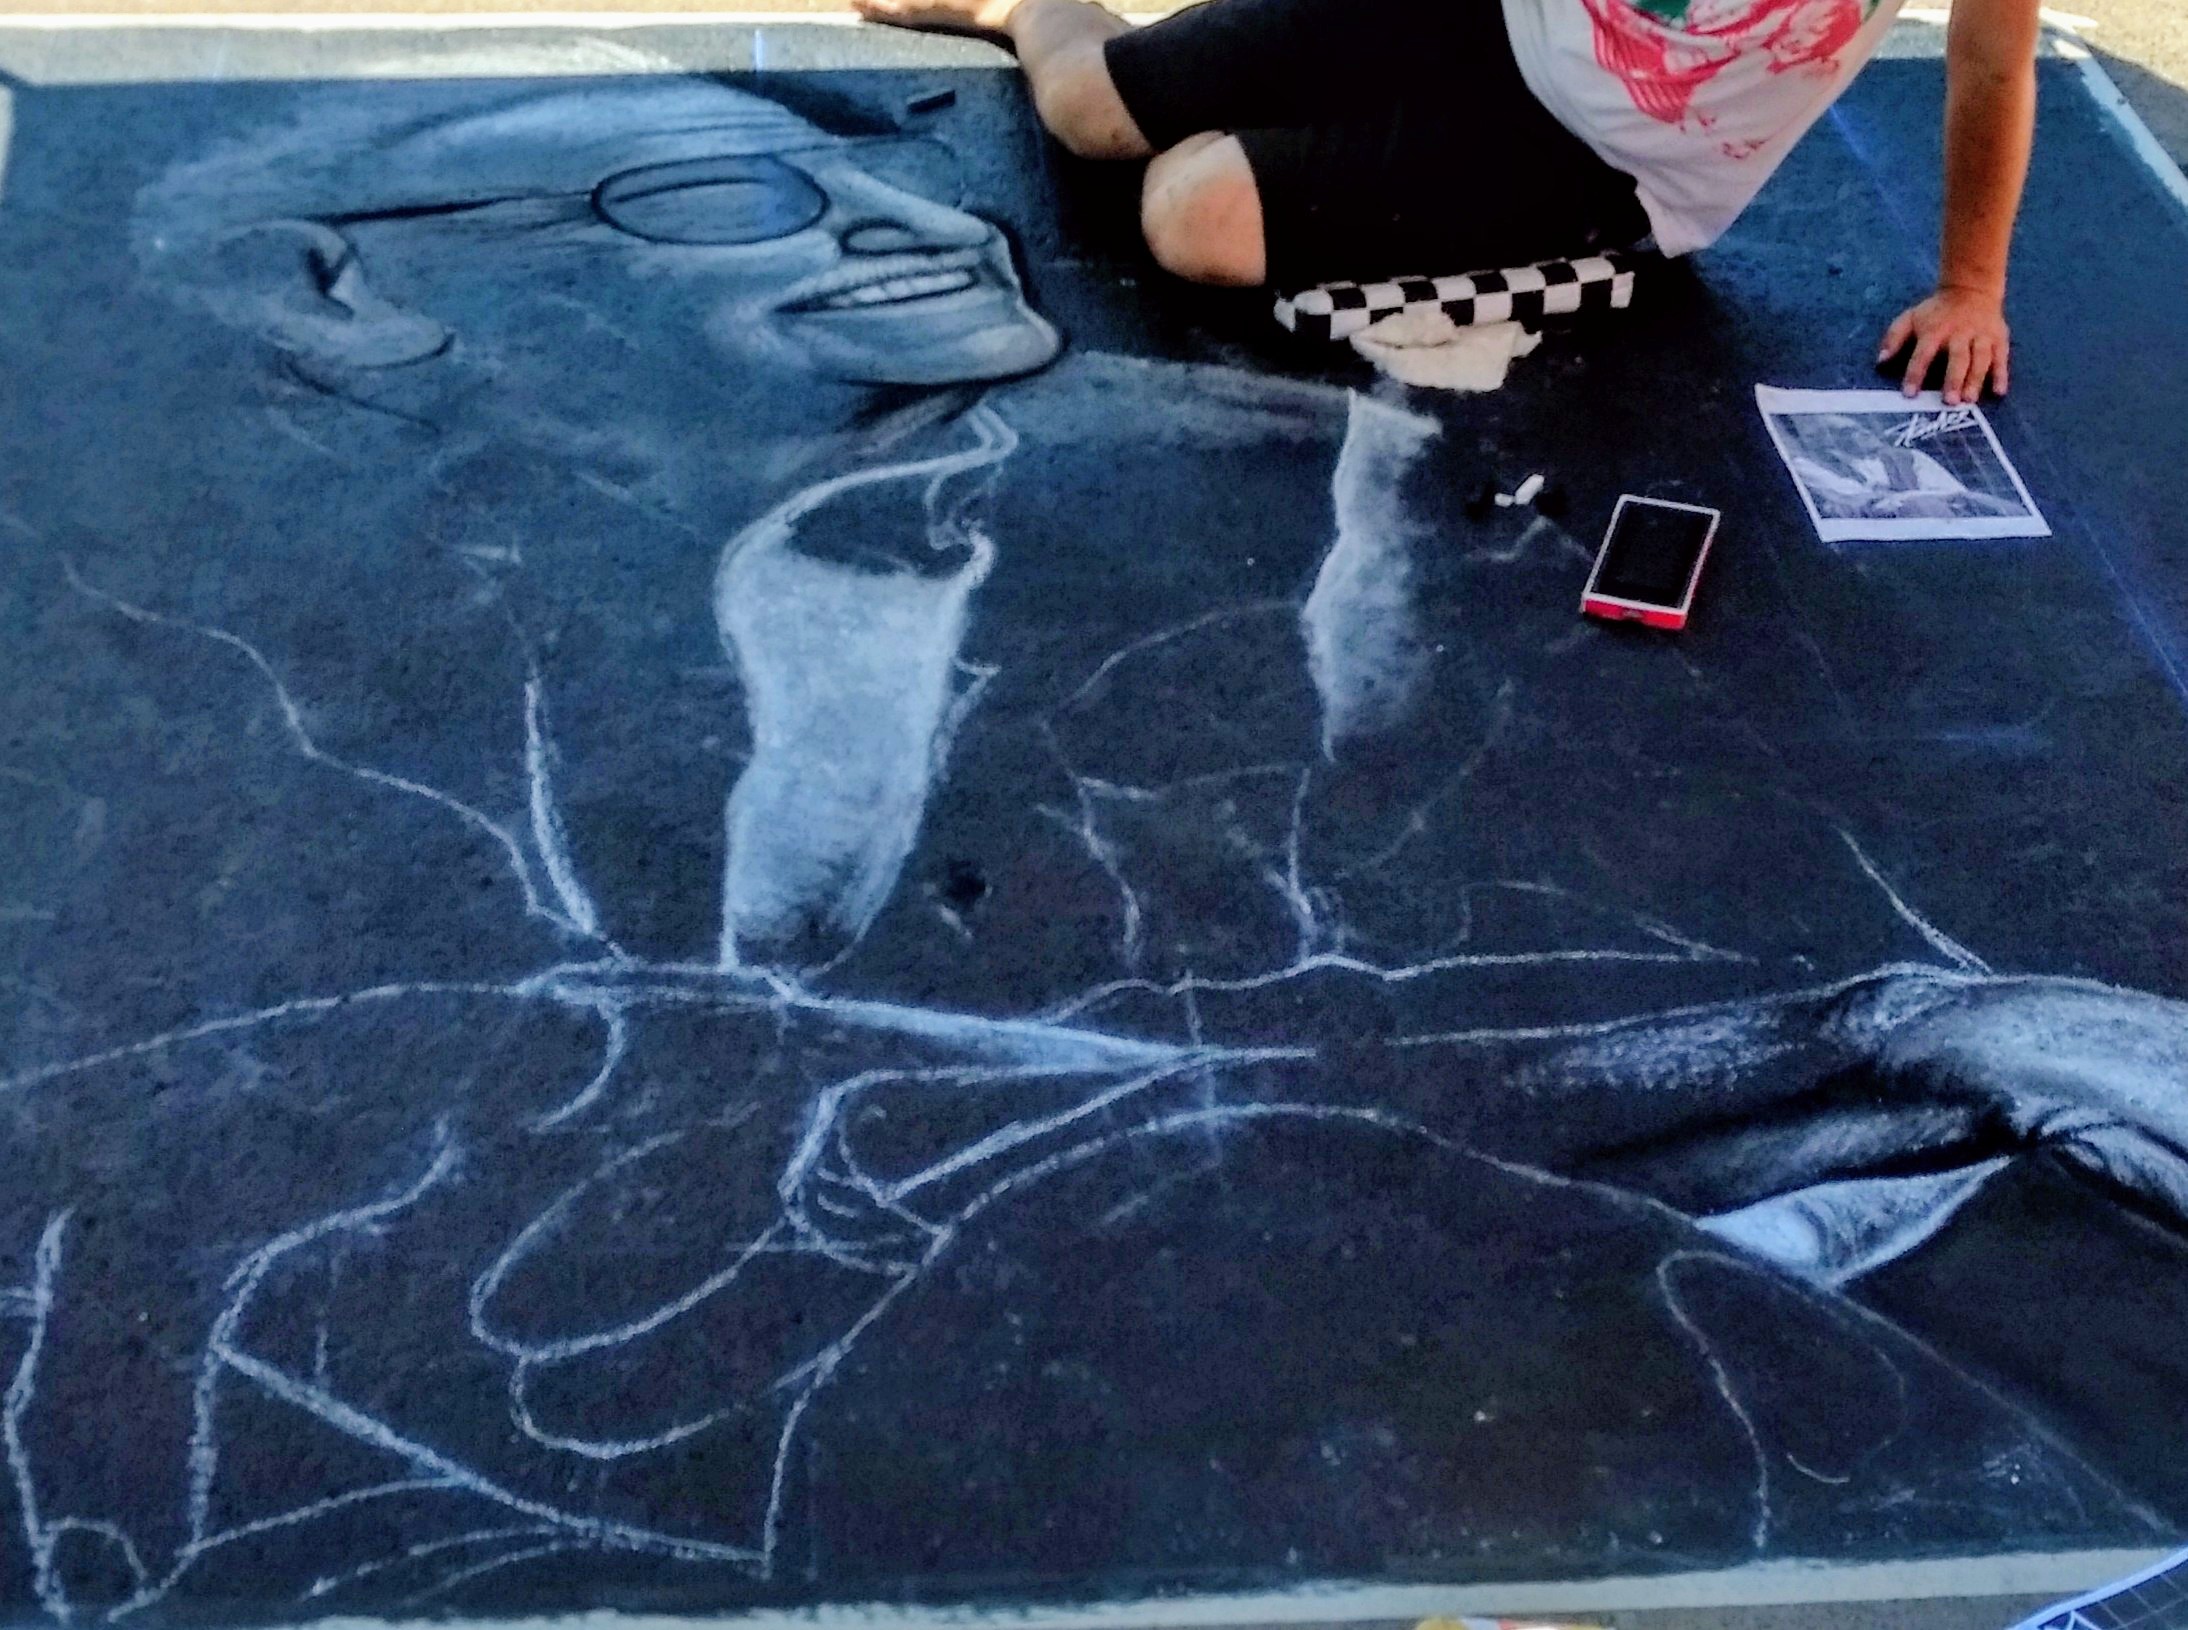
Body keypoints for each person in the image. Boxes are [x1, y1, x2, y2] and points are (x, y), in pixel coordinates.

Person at [854, 0, 2038, 407]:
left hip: (1603, 161)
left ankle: (1281, 154)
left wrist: (1969, 286)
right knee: (1088, 111)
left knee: (1189, 216)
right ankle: (1019, 8)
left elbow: (1990, 65)